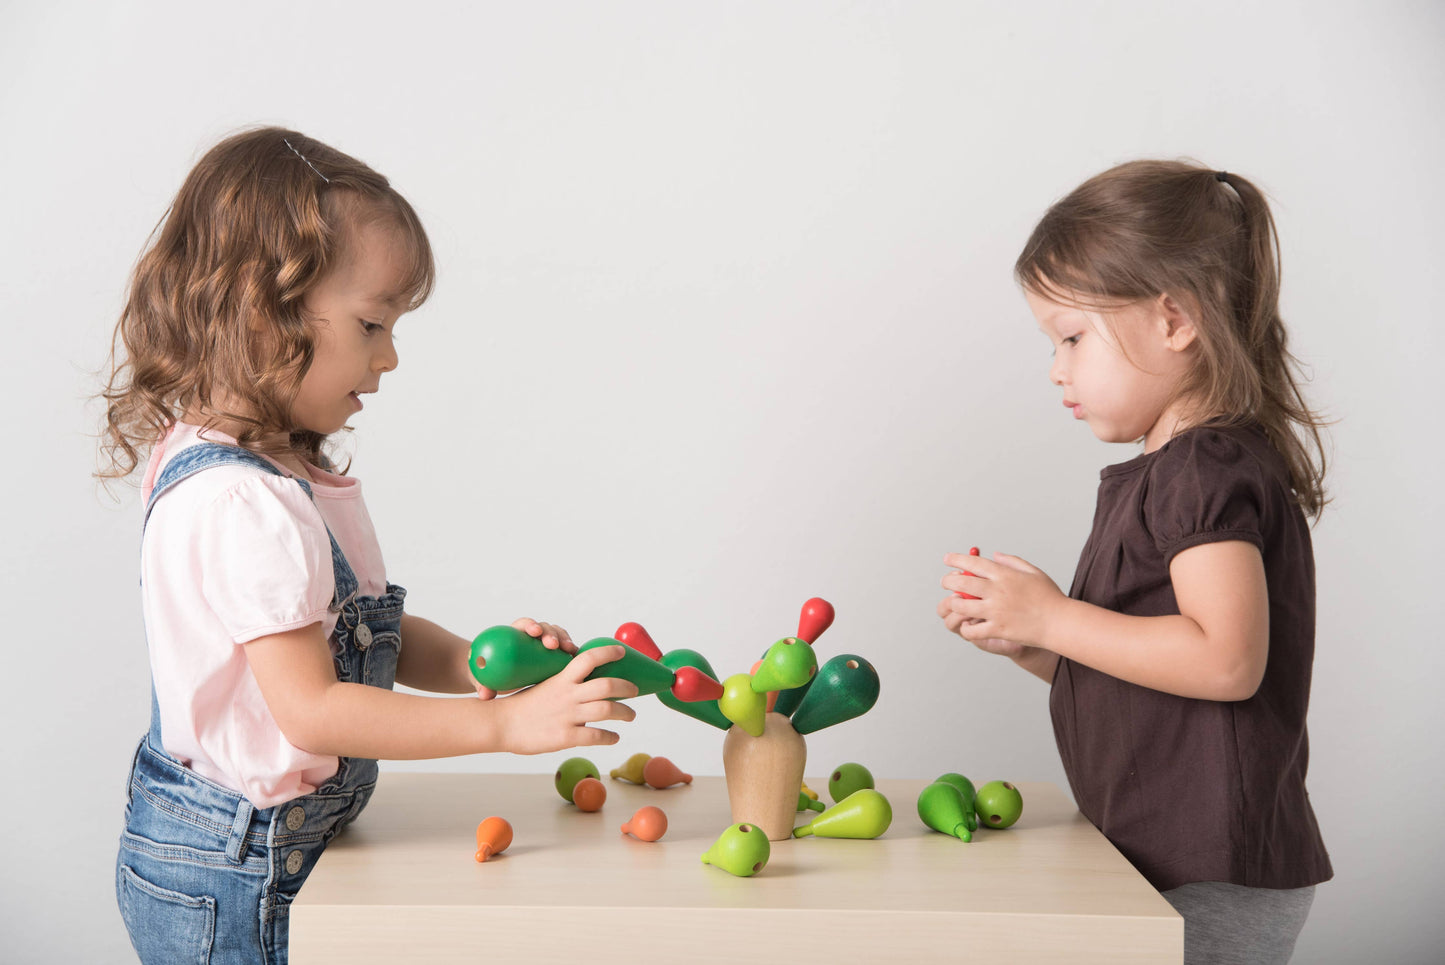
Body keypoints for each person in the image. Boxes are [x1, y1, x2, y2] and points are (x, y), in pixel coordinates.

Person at [99, 127, 636, 965]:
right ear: (260, 307)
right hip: (233, 875)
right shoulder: (243, 500)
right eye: (372, 323)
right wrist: (502, 730)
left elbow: (352, 630)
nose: (388, 358)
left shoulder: (284, 471)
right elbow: (313, 707)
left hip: (281, 848)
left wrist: (482, 669)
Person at [937, 161, 1332, 964]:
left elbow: (1224, 662)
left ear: (1174, 319)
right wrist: (1036, 644)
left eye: (1071, 337)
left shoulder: (1202, 467)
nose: (1055, 368)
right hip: (1176, 857)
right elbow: (1158, 683)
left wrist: (1053, 614)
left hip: (1212, 866)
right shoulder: (1167, 474)